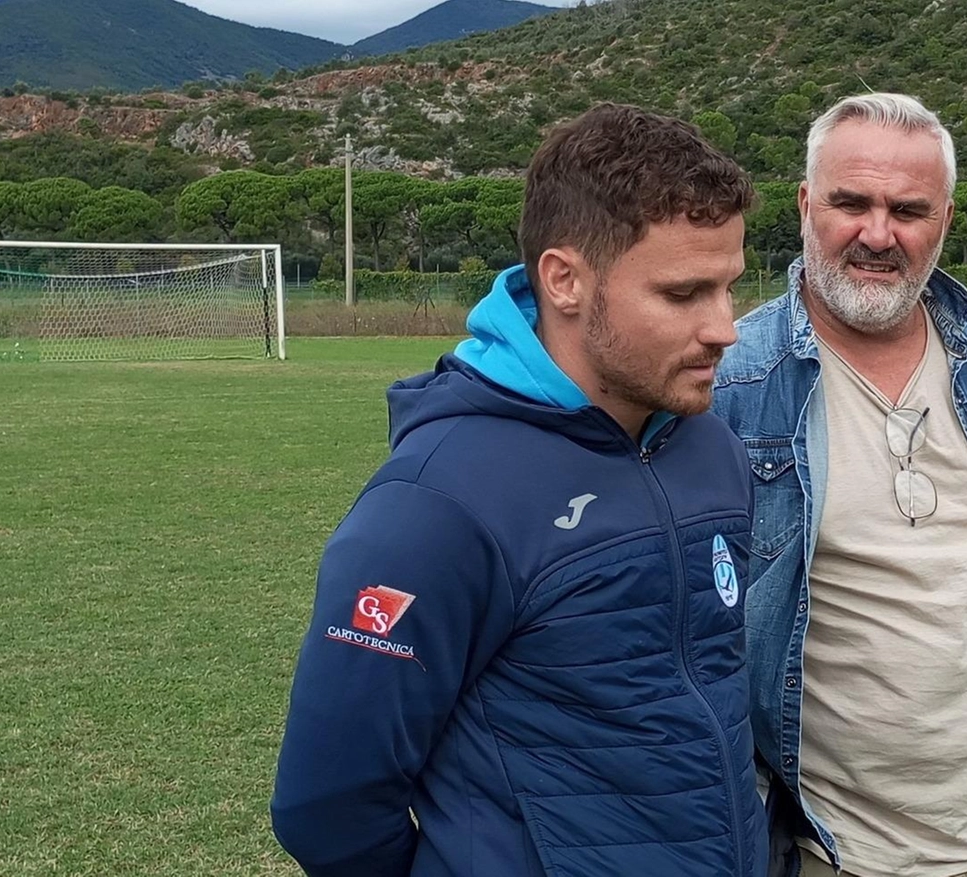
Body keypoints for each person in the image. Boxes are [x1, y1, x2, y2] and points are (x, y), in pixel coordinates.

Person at [270, 102, 767, 877]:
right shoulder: (436, 502)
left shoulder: (708, 444)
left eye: (730, 286)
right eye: (683, 294)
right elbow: (326, 806)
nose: (725, 327)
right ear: (564, 279)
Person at [712, 93, 967, 877]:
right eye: (850, 202)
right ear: (805, 204)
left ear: (946, 221)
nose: (877, 233)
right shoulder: (734, 381)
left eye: (908, 209)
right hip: (829, 851)